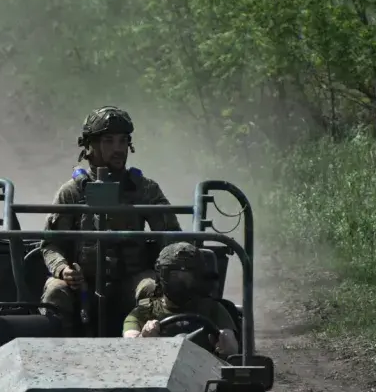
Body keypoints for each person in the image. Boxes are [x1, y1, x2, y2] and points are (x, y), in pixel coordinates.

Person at [40, 107, 181, 330]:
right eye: (108, 141)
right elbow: (50, 244)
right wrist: (63, 270)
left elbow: (172, 239)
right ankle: (53, 357)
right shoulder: (72, 192)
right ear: (90, 146)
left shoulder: (145, 190)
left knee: (152, 288)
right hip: (81, 283)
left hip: (132, 280)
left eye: (123, 141)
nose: (118, 149)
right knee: (56, 290)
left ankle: (155, 353)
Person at [124, 242, 239, 358]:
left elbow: (232, 349)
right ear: (162, 276)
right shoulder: (142, 313)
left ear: (197, 278)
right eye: (175, 276)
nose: (181, 283)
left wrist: (225, 344)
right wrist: (143, 339)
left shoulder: (214, 310)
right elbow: (129, 350)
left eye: (187, 277)